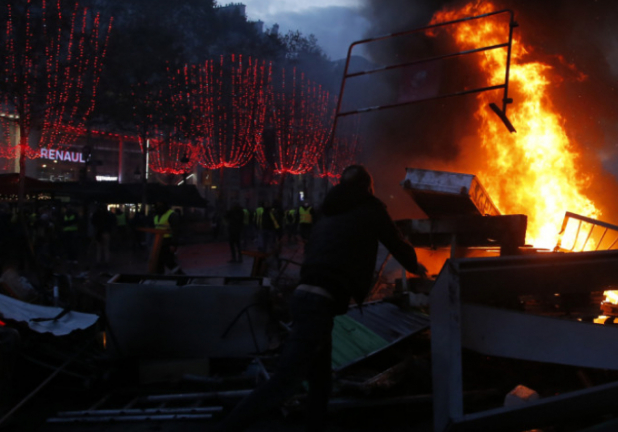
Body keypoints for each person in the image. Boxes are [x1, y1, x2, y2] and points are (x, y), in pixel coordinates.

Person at [217, 165, 427, 432]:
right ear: (367, 187)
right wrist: (414, 265)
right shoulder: (371, 207)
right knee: (285, 382)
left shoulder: (328, 210)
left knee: (320, 381)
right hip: (318, 304)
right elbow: (395, 241)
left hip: (308, 298)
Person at [153, 201, 180, 273]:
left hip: (167, 242)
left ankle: (181, 276)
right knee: (159, 262)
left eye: (160, 204)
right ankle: (160, 278)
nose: (158, 206)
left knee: (169, 262)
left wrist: (173, 244)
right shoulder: (156, 216)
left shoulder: (172, 215)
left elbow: (176, 231)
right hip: (158, 242)